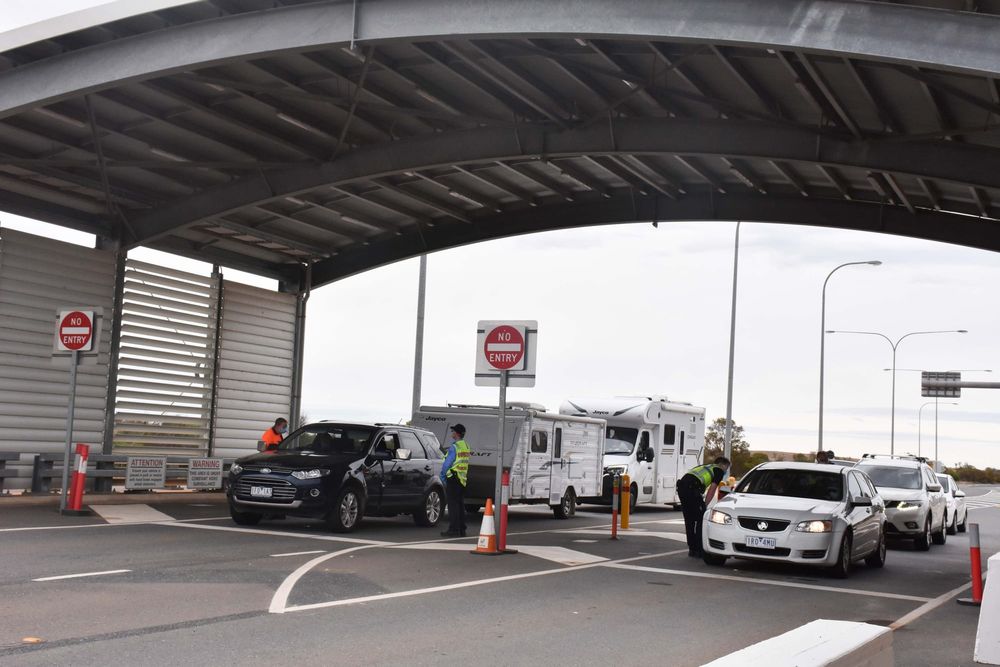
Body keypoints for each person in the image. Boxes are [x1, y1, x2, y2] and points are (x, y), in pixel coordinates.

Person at [677, 456, 731, 558]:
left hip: (681, 488)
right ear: (722, 465)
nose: (726, 471)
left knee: (689, 520)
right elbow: (712, 489)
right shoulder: (718, 471)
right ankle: (699, 549)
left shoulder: (704, 467)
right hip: (692, 489)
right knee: (701, 520)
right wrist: (705, 505)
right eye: (726, 468)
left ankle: (692, 549)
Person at [440, 424, 471, 537]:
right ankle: (462, 529)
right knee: (460, 504)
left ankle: (453, 529)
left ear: (457, 433)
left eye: (453, 431)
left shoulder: (455, 447)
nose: (452, 433)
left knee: (453, 505)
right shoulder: (466, 445)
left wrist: (443, 476)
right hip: (462, 479)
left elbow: (447, 464)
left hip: (453, 478)